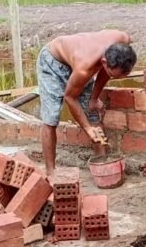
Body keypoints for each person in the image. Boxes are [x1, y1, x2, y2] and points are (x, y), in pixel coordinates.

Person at [37, 30, 137, 175]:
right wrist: (87, 128)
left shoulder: (123, 39)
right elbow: (69, 97)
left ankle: (103, 165)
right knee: (50, 118)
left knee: (93, 114)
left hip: (79, 59)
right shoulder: (85, 67)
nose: (113, 77)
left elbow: (106, 72)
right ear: (104, 62)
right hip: (52, 62)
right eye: (113, 74)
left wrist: (94, 99)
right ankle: (50, 172)